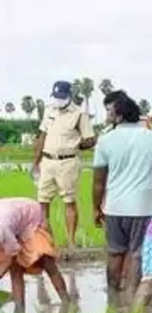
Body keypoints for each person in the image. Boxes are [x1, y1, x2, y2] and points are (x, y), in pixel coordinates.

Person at [92, 96, 152, 294]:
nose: (108, 116)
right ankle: (131, 297)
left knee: (115, 253)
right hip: (144, 207)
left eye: (110, 112)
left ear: (119, 115)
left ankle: (112, 295)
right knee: (137, 254)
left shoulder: (105, 141)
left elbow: (99, 181)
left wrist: (96, 208)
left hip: (115, 207)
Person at [33, 81, 96, 253]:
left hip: (68, 162)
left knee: (69, 200)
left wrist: (77, 146)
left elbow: (90, 138)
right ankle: (47, 243)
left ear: (69, 96)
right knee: (42, 201)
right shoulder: (49, 110)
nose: (58, 101)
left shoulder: (79, 114)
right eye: (56, 97)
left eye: (61, 97)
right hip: (47, 161)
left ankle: (71, 242)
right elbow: (42, 136)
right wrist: (35, 162)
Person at [0, 198, 70, 312]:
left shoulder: (3, 229)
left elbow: (12, 254)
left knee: (47, 262)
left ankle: (66, 301)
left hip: (31, 216)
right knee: (15, 270)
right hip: (14, 218)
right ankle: (19, 309)